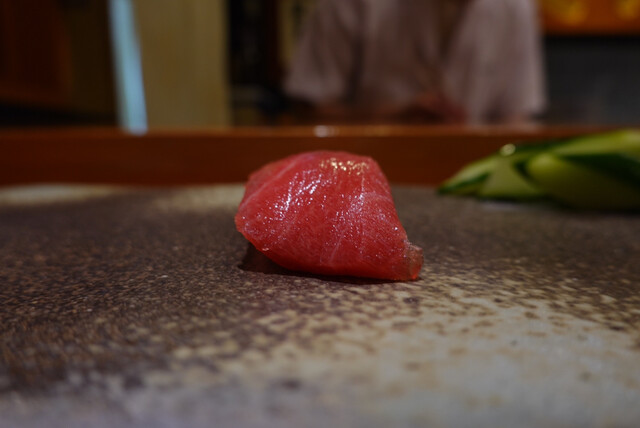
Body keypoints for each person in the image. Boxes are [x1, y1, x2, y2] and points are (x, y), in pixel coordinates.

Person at [284, 0, 546, 125]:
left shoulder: (516, 8)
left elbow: (516, 118)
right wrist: (393, 119)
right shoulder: (349, 5)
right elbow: (308, 113)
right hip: (361, 183)